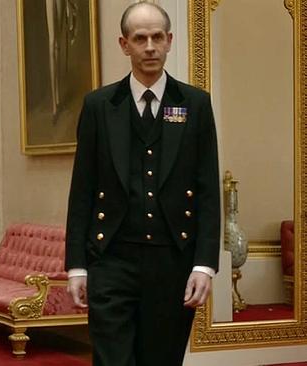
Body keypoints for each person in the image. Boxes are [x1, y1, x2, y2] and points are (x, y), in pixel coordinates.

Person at [65, 3, 220, 366]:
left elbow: (208, 189)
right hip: (111, 258)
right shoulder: (100, 106)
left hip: (173, 261)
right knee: (113, 360)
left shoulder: (194, 104)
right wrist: (76, 266)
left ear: (169, 41)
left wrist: (204, 265)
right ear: (124, 45)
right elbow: (82, 190)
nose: (149, 46)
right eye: (140, 38)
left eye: (156, 37)